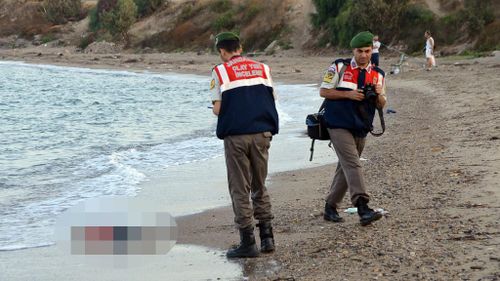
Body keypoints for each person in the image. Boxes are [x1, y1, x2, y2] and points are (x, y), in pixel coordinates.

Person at [210, 32, 279, 258]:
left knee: (240, 187)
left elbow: (218, 109)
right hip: (262, 133)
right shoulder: (263, 68)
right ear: (240, 47)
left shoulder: (220, 71)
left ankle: (248, 242)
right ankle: (267, 237)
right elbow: (272, 98)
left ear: (222, 51)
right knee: (260, 183)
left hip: (237, 136)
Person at [319, 31, 387, 226]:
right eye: (360, 51)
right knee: (353, 164)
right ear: (353, 50)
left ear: (372, 50)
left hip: (361, 126)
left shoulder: (378, 74)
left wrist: (378, 94)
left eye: (367, 51)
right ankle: (363, 206)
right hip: (337, 124)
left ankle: (330, 207)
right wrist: (348, 95)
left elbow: (381, 104)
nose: (364, 55)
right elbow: (324, 91)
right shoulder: (339, 66)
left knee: (346, 167)